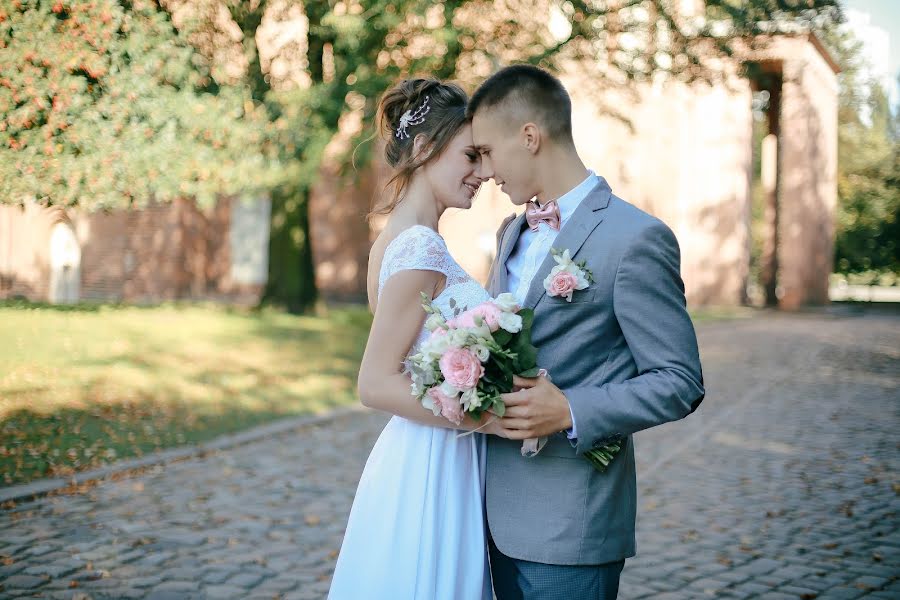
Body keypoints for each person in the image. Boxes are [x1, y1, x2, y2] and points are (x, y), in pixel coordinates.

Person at [469, 64, 705, 600]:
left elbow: (679, 380)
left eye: (486, 151)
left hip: (572, 524)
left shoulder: (635, 238)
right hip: (488, 516)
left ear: (529, 137)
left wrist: (572, 411)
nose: (483, 170)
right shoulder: (512, 232)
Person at [328, 78, 494, 599]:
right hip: (434, 461)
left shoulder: (395, 238)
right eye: (471, 156)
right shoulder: (418, 246)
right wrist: (487, 412)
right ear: (424, 149)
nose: (484, 173)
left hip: (428, 448)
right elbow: (375, 383)